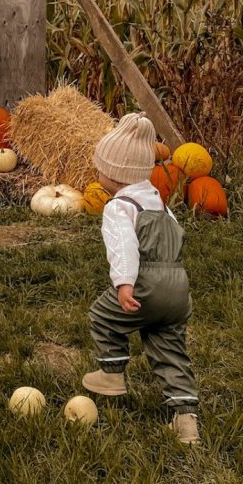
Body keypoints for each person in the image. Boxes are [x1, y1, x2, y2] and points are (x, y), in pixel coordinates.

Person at [81, 112, 201, 445]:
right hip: (178, 287)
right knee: (169, 348)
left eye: (101, 168)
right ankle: (186, 421)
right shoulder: (160, 204)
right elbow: (177, 236)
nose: (98, 172)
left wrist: (124, 285)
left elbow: (124, 247)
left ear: (116, 174)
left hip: (146, 282)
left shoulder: (119, 206)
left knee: (103, 316)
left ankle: (112, 373)